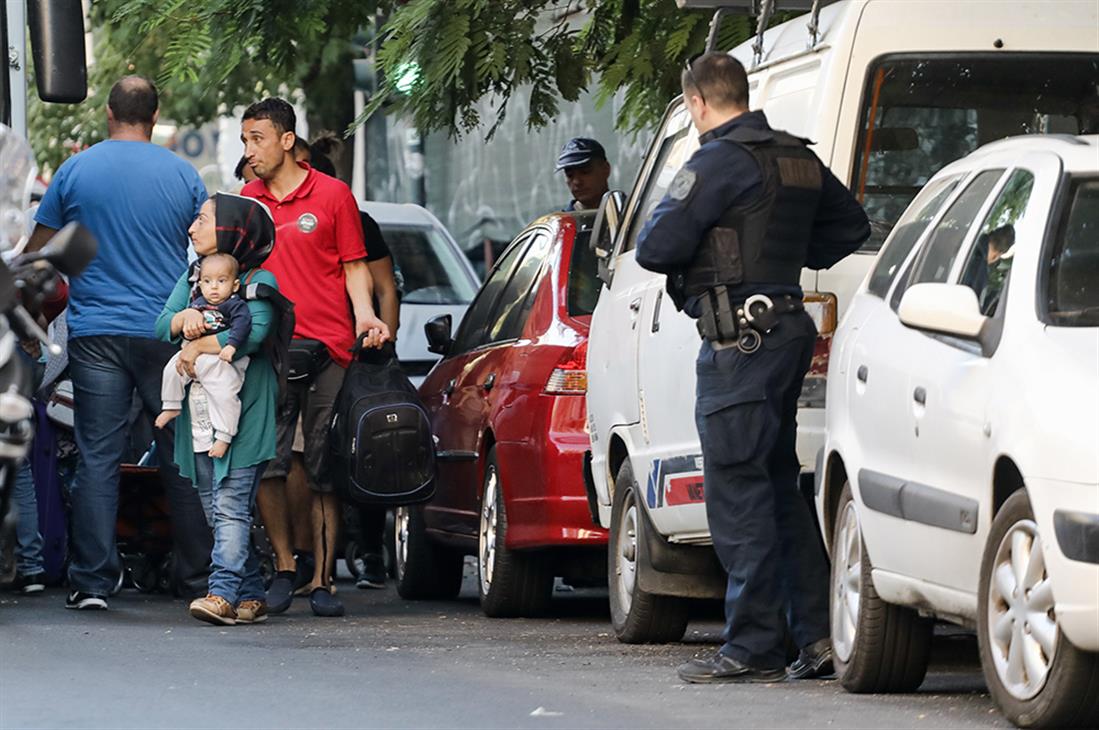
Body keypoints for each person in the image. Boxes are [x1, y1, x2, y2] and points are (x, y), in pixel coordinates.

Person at [635, 53, 870, 683]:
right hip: (787, 329)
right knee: (775, 485)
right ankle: (816, 636)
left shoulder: (716, 160)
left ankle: (752, 646)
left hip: (740, 341)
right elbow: (851, 226)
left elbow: (655, 246)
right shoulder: (796, 156)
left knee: (738, 490)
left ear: (697, 102)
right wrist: (777, 259)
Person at [28, 75, 212, 610]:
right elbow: (209, 252)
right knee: (181, 455)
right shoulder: (183, 175)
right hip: (165, 334)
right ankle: (198, 578)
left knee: (98, 458)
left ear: (109, 113)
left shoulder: (75, 170)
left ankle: (92, 582)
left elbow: (39, 251)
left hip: (96, 335)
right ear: (154, 117)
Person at [239, 98, 390, 618]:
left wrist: (365, 316)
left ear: (287, 141)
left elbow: (354, 266)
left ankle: (323, 580)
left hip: (329, 348)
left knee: (324, 469)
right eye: (245, 140)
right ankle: (285, 568)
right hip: (268, 350)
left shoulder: (333, 195)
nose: (249, 150)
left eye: (257, 139)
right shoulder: (248, 200)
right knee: (270, 463)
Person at [155, 192, 280, 626]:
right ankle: (252, 593)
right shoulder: (194, 276)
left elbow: (255, 333)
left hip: (246, 411)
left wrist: (196, 344)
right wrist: (183, 322)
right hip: (199, 413)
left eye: (204, 220)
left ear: (232, 228)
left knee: (229, 505)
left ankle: (221, 593)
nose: (193, 228)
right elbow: (162, 324)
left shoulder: (259, 279)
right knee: (215, 507)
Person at [156, 252, 253, 459]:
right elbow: (170, 327)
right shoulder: (197, 303)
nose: (214, 287)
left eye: (221, 281)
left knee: (224, 393)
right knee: (172, 369)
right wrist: (188, 327)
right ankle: (171, 405)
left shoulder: (234, 304)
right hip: (196, 356)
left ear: (235, 285)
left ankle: (225, 435)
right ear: (200, 284)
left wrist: (231, 346)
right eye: (207, 282)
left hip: (221, 359)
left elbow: (243, 325)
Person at [555, 137, 611, 211]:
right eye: (569, 175)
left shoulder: (625, 212)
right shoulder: (560, 218)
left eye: (585, 172)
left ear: (606, 169)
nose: (577, 182)